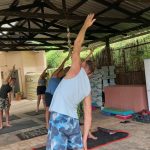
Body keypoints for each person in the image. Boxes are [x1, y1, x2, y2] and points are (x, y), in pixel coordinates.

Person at [46, 13, 96, 150]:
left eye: (84, 62)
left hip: (59, 117)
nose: (82, 61)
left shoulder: (75, 70)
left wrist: (85, 26)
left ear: (85, 67)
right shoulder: (87, 89)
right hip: (73, 122)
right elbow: (88, 115)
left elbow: (77, 44)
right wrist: (84, 140)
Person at [45, 52, 70, 129]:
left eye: (65, 72)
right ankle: (47, 124)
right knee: (48, 109)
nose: (64, 73)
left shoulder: (60, 79)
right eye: (64, 71)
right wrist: (66, 58)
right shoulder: (54, 75)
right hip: (49, 94)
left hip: (55, 95)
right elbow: (60, 67)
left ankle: (57, 122)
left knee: (56, 109)